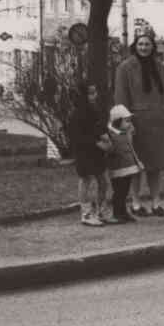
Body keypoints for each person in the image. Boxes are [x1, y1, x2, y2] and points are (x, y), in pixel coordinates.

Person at [114, 32, 164, 218]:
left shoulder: (160, 67)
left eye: (147, 44)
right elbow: (121, 96)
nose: (144, 47)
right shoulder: (125, 68)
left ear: (153, 46)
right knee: (136, 166)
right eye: (141, 44)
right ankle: (136, 203)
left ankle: (156, 202)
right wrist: (125, 122)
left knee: (156, 165)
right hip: (136, 124)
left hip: (158, 123)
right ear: (135, 46)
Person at [69, 82, 114, 226]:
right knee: (86, 180)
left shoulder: (95, 110)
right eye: (91, 93)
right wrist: (96, 142)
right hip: (84, 151)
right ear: (83, 95)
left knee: (103, 181)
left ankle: (101, 211)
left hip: (97, 151)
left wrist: (105, 137)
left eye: (95, 92)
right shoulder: (76, 113)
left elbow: (99, 127)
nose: (95, 95)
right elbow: (78, 136)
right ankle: (86, 214)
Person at [107, 104, 143, 224]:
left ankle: (123, 212)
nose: (129, 124)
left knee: (125, 190)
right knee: (119, 191)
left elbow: (131, 148)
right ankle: (117, 213)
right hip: (117, 167)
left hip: (127, 166)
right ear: (117, 121)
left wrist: (137, 162)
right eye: (126, 121)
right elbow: (109, 150)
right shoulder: (111, 134)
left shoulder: (125, 133)